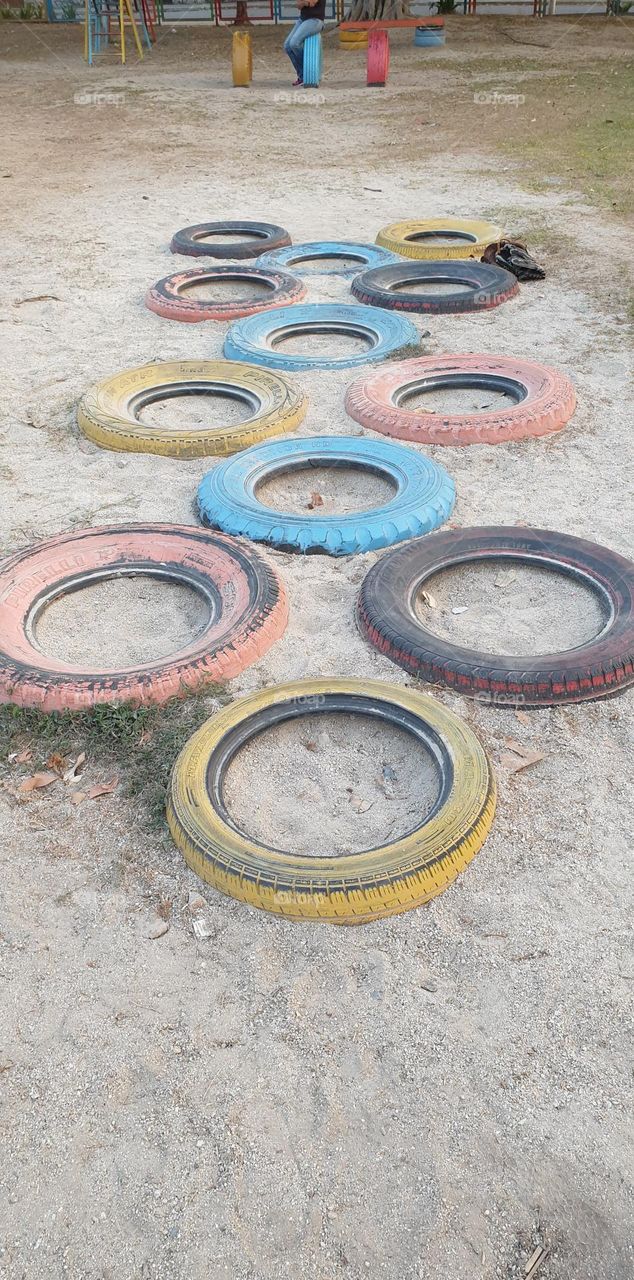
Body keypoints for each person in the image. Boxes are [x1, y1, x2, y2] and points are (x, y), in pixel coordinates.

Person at [283, 0, 325, 87]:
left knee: (294, 43)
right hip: (302, 19)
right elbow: (299, 5)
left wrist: (305, 3)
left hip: (315, 20)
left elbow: (312, 3)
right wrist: (304, 3)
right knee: (287, 46)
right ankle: (302, 76)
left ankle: (309, 72)